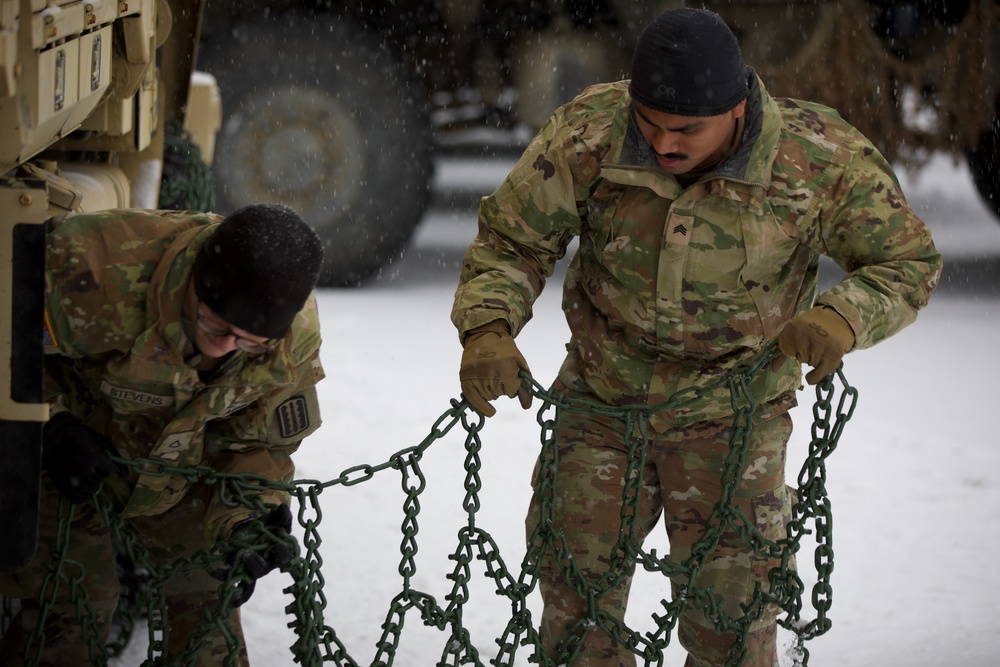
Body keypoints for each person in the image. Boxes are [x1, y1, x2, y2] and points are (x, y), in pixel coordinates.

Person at [452, 8, 941, 667]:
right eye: (650, 123)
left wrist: (844, 316)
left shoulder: (819, 158)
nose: (664, 145)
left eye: (687, 130)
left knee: (732, 628)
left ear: (737, 108)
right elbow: (512, 240)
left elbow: (906, 260)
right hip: (603, 405)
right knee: (575, 622)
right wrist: (487, 330)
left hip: (735, 420)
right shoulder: (590, 132)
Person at [0, 204, 325, 666]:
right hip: (55, 459)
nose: (223, 346)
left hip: (173, 470)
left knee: (207, 610)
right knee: (74, 605)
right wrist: (48, 425)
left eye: (246, 340)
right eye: (213, 322)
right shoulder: (90, 269)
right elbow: (4, 343)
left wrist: (248, 518)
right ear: (195, 281)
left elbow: (257, 443)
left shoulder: (289, 341)